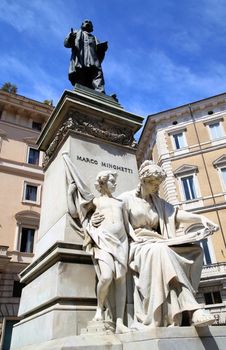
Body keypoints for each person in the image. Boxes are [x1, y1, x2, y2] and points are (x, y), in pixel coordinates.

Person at [92, 160, 219, 328]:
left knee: (193, 249)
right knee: (161, 251)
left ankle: (185, 307)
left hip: (158, 242)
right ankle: (193, 309)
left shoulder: (156, 201)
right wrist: (94, 221)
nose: (157, 187)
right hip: (137, 244)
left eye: (158, 184)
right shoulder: (126, 199)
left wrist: (201, 218)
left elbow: (176, 214)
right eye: (154, 183)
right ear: (143, 181)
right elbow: (109, 216)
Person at [63, 153, 129, 333]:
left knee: (121, 279)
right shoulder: (96, 201)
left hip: (122, 242)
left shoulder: (121, 202)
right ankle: (99, 309)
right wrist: (70, 193)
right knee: (106, 276)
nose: (115, 184)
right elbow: (76, 213)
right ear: (102, 184)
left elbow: (127, 225)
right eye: (111, 181)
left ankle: (120, 321)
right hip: (103, 241)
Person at [64, 19, 108, 93]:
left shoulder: (94, 38)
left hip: (93, 58)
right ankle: (81, 90)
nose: (88, 23)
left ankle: (100, 91)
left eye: (90, 23)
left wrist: (102, 48)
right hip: (81, 57)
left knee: (97, 73)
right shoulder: (76, 33)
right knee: (81, 73)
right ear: (82, 24)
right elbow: (66, 44)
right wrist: (71, 37)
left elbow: (99, 51)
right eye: (86, 22)